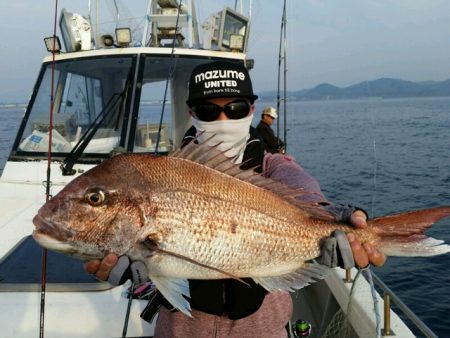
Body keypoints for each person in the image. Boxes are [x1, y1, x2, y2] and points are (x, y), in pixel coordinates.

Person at [85, 61, 385, 337]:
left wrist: (332, 216)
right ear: (192, 114)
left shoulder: (273, 167)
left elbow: (304, 192)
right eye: (208, 111)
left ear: (252, 110)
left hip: (262, 328)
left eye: (236, 108)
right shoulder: (164, 175)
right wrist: (134, 261)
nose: (223, 119)